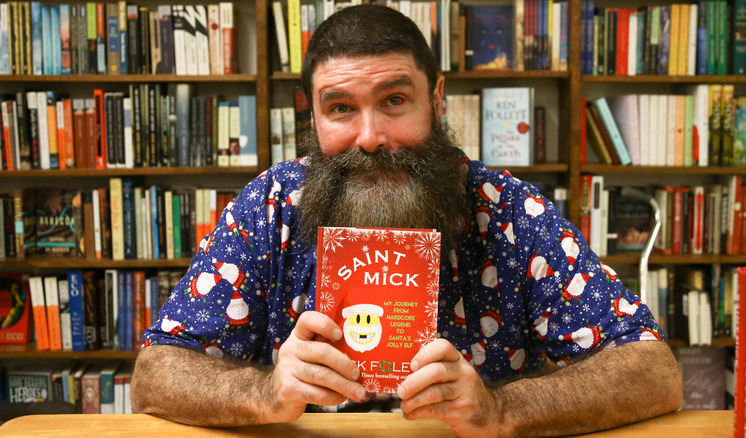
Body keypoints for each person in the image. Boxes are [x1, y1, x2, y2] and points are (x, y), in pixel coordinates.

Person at [131, 5, 682, 436]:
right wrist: (265, 393)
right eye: (341, 108)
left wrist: (500, 409)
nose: (369, 137)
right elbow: (156, 374)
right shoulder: (271, 205)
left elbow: (653, 371)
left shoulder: (510, 211)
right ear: (312, 112)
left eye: (394, 99)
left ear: (436, 100)